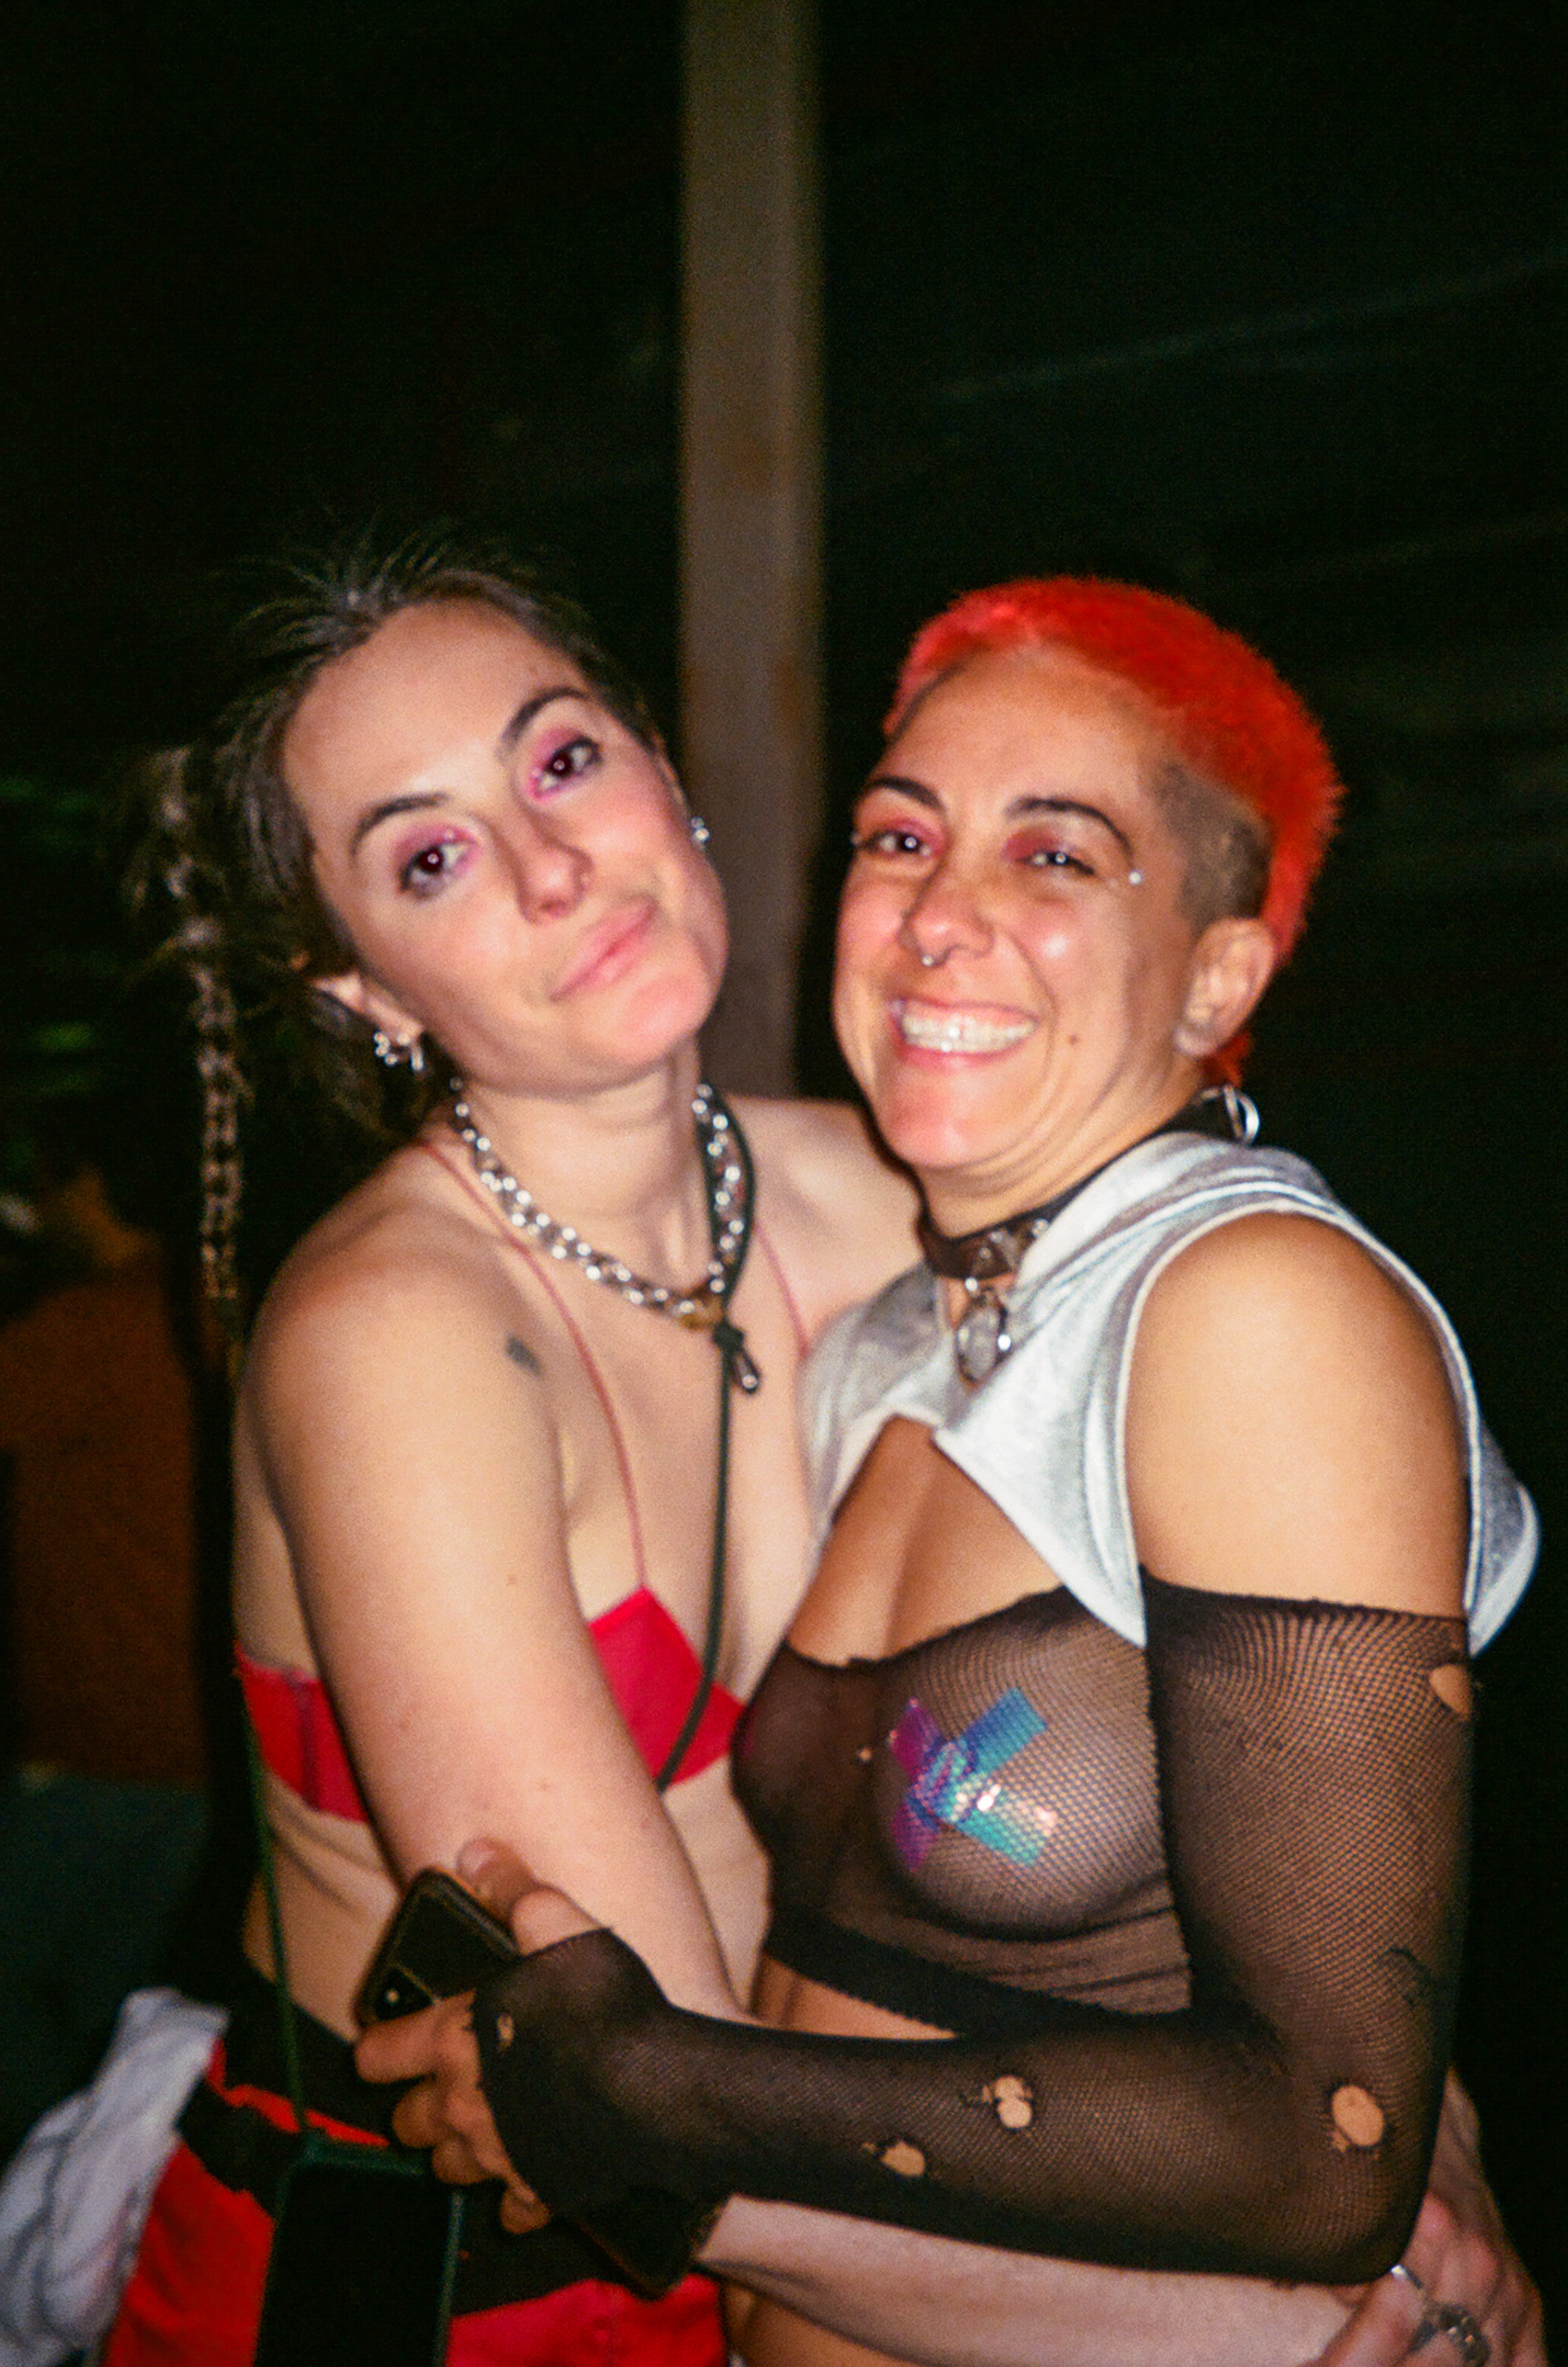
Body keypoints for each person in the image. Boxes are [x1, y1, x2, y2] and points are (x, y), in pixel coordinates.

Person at [360, 580, 1544, 2367]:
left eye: (1056, 857)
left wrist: (660, 2099)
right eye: (901, 838)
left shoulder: (1252, 1308)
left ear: (1218, 976)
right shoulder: (896, 1347)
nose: (940, 915)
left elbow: (1324, 2146)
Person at [100, 541, 918, 2366]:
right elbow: (658, 2094)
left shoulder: (891, 1202)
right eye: (433, 858)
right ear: (361, 988)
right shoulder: (393, 1337)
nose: (554, 867)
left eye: (560, 760)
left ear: (659, 766)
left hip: (838, 2217)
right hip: (462, 2288)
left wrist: (1406, 2136)